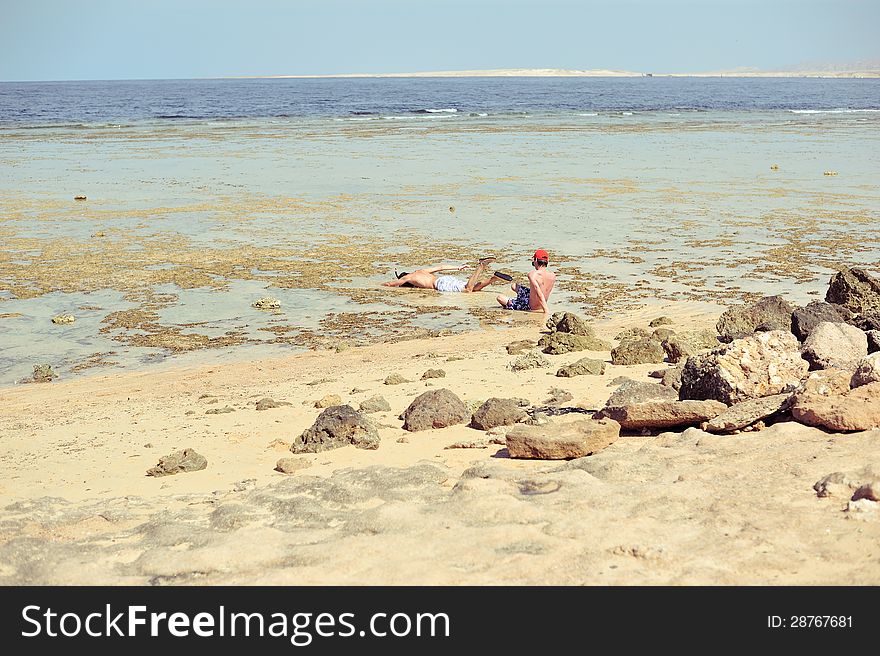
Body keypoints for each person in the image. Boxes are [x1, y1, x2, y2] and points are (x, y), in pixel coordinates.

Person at [382, 257, 504, 293]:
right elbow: (441, 267)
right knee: (474, 288)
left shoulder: (408, 278)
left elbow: (391, 284)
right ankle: (493, 279)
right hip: (444, 279)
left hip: (440, 284)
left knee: (468, 289)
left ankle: (481, 265)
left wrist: (378, 286)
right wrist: (458, 267)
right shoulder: (421, 271)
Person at [496, 249, 555, 315]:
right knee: (514, 286)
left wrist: (546, 312)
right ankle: (520, 298)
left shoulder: (533, 274)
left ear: (535, 260)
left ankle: (515, 302)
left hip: (529, 306)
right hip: (539, 303)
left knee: (500, 298)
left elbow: (539, 294)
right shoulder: (553, 275)